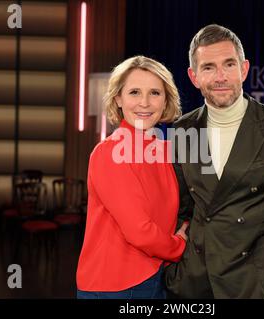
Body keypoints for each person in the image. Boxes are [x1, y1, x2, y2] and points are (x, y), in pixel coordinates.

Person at [164, 24, 264, 299]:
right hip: (195, 284)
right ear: (194, 76)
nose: (221, 76)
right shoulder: (182, 130)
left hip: (257, 284)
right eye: (209, 67)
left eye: (229, 64)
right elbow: (181, 209)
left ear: (244, 69)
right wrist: (175, 269)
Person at [76, 56, 188, 299]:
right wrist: (180, 246)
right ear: (118, 98)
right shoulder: (108, 153)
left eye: (155, 93)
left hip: (155, 275)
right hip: (114, 286)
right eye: (134, 92)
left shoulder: (161, 149)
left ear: (166, 99)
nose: (145, 103)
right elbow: (140, 231)